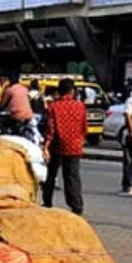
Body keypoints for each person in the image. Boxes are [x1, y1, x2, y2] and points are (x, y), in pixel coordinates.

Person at [42, 78, 87, 215]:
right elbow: (84, 127)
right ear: (72, 91)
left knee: (51, 174)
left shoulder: (53, 107)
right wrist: (80, 140)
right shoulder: (80, 106)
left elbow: (51, 129)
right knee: (72, 176)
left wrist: (46, 147)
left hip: (57, 145)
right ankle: (76, 205)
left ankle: (47, 201)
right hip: (74, 146)